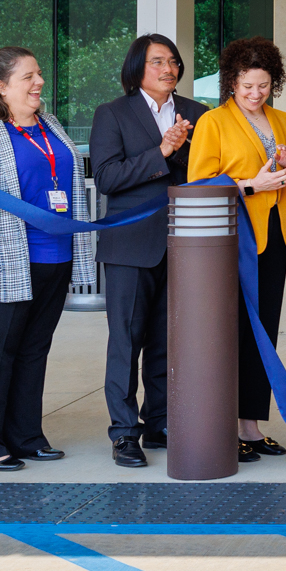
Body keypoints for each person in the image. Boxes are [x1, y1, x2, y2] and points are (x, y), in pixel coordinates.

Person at [0, 47, 95, 470]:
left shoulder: (51, 125)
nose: (38, 83)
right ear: (2, 87)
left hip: (53, 259)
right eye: (27, 77)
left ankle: (26, 436)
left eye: (39, 74)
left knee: (32, 352)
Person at [187, 37, 286, 463]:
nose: (256, 94)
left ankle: (251, 428)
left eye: (263, 85)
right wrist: (253, 184)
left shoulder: (285, 120)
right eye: (247, 86)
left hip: (276, 236)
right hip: (233, 240)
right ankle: (225, 427)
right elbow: (199, 186)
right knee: (232, 334)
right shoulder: (212, 123)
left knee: (265, 334)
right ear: (231, 83)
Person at [91, 33, 208, 468]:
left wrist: (179, 150)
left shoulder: (197, 113)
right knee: (126, 342)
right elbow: (107, 177)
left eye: (174, 61)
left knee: (166, 343)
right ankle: (124, 433)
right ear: (138, 67)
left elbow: (204, 172)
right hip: (130, 246)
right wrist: (162, 149)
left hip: (184, 245)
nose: (169, 69)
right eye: (158, 61)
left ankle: (159, 422)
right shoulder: (112, 114)